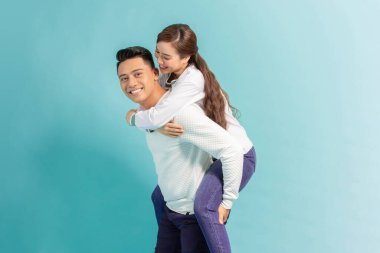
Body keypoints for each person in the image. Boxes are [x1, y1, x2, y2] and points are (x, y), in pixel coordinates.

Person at [126, 24, 256, 253]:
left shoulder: (192, 81)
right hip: (218, 154)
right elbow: (153, 113)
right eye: (157, 53)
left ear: (186, 57)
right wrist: (136, 118)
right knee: (160, 196)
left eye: (166, 56)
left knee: (204, 206)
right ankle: (174, 235)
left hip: (239, 154)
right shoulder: (170, 76)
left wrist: (227, 202)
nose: (160, 61)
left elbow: (158, 115)